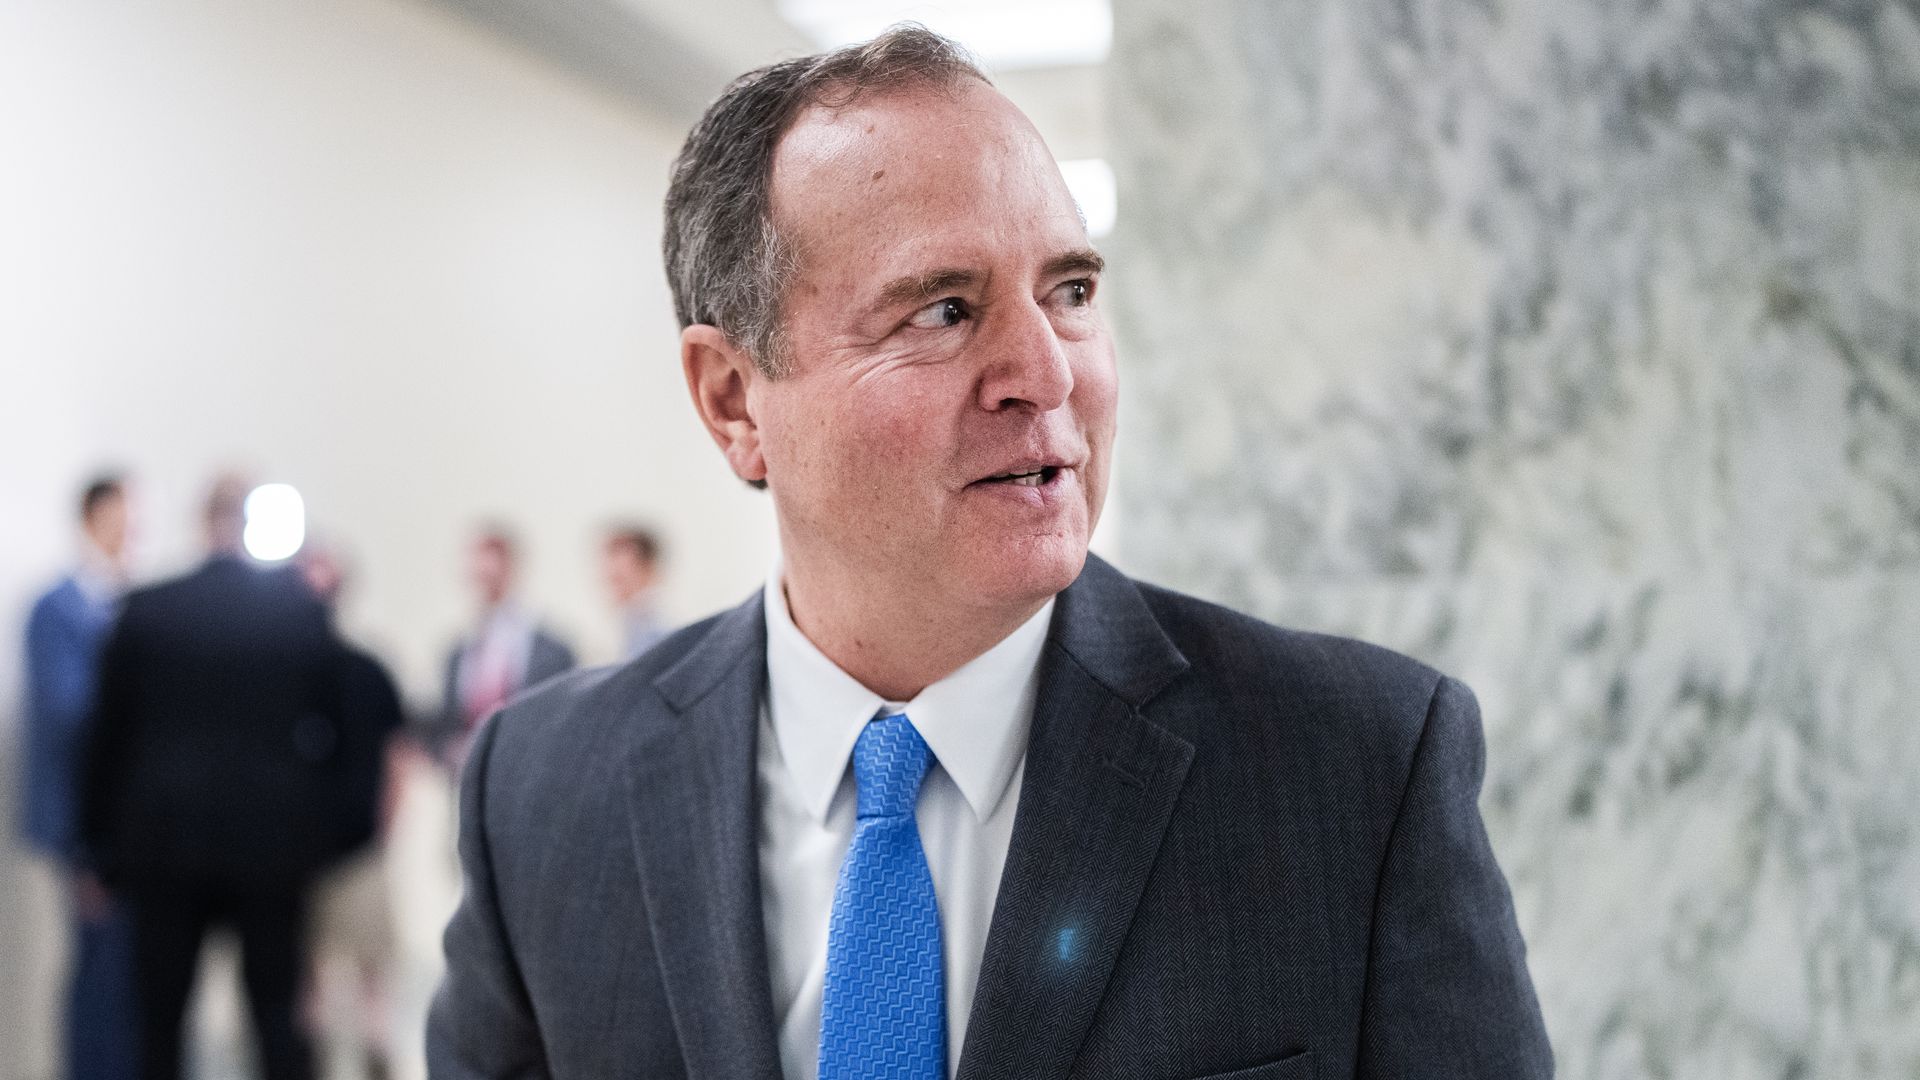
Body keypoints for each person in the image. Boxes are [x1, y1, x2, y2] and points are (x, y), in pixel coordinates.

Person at [429, 27, 1552, 1080]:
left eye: (1071, 291)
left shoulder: (1355, 768)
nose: (1048, 373)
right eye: (943, 310)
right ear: (732, 398)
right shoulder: (541, 792)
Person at [81, 476, 350, 1080]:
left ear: (203, 522)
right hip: (272, 850)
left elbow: (107, 740)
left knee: (159, 1025)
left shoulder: (147, 610)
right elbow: (339, 734)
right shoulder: (299, 612)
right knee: (277, 1020)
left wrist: (97, 847)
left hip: (163, 845)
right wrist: (328, 838)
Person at [20, 474, 138, 1080]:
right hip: (85, 822)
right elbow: (68, 714)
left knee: (125, 970)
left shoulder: (126, 602)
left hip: (126, 818)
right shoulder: (58, 608)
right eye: (126, 512)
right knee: (99, 968)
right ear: (97, 515)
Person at [297, 542, 405, 1080]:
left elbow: (397, 757)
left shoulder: (368, 670)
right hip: (297, 853)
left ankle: (376, 1058)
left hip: (360, 849)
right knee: (307, 977)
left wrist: (384, 828)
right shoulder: (281, 671)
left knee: (371, 970)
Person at [434, 527, 574, 772]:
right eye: (480, 576)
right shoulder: (459, 653)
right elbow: (448, 722)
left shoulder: (550, 651)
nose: (486, 584)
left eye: (493, 575)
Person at [602, 523, 669, 660]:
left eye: (619, 579)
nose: (613, 589)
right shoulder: (631, 626)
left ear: (649, 570)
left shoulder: (654, 632)